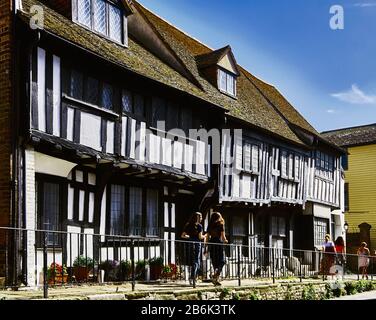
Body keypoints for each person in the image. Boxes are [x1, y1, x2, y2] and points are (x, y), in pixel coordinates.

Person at [204, 212, 228, 286]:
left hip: (212, 244)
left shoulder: (210, 226)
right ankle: (216, 276)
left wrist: (206, 247)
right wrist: (226, 241)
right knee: (223, 260)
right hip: (218, 243)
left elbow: (207, 237)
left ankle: (215, 279)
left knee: (215, 261)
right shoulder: (221, 225)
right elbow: (223, 237)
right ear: (218, 217)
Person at [181, 212, 204, 286]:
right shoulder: (199, 226)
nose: (201, 219)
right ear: (197, 218)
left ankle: (192, 278)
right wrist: (206, 236)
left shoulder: (188, 225)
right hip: (197, 244)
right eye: (200, 217)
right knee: (196, 261)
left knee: (193, 260)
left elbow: (183, 235)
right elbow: (200, 237)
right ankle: (193, 278)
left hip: (190, 244)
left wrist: (190, 237)